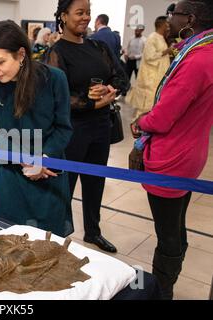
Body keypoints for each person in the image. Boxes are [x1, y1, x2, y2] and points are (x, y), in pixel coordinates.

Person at [131, 0, 213, 300]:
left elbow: (164, 118)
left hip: (172, 158)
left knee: (168, 235)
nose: (170, 19)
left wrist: (141, 122)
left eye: (173, 14)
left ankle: (161, 291)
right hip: (189, 153)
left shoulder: (198, 59)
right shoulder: (203, 51)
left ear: (189, 18)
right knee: (175, 227)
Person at [47, 0, 129, 253]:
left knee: (95, 182)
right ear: (64, 16)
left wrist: (109, 89)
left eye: (88, 13)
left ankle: (93, 231)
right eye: (79, 12)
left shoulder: (99, 46)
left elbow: (120, 76)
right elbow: (57, 97)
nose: (85, 17)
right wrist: (91, 103)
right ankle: (58, 236)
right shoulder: (57, 52)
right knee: (65, 186)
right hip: (73, 130)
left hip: (101, 127)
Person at [0, 20, 74, 237]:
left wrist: (42, 159)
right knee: (9, 239)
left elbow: (63, 128)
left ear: (21, 54)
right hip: (11, 172)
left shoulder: (53, 79)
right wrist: (21, 158)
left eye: (0, 61)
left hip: (48, 172)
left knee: (47, 243)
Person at [126, 16, 172, 119]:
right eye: (167, 24)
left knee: (154, 104)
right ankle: (139, 126)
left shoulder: (161, 38)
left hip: (157, 76)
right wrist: (167, 51)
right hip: (150, 78)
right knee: (145, 106)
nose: (169, 26)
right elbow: (149, 57)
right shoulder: (152, 38)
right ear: (162, 25)